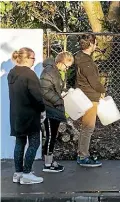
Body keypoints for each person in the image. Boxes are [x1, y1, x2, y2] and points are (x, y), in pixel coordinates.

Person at [8, 47, 45, 184]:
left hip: (16, 114)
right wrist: (42, 109)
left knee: (20, 142)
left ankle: (18, 173)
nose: (34, 62)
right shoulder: (29, 74)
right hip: (29, 114)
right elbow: (37, 96)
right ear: (26, 58)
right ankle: (27, 174)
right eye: (33, 58)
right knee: (34, 143)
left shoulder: (12, 73)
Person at [74, 34, 106, 167]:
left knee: (85, 127)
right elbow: (94, 81)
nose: (96, 45)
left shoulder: (79, 57)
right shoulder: (86, 61)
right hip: (90, 96)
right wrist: (102, 90)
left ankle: (82, 153)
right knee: (88, 127)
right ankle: (83, 156)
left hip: (83, 95)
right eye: (95, 43)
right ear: (91, 44)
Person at [40, 52, 74, 172]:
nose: (67, 68)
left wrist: (64, 93)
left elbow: (53, 89)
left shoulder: (54, 71)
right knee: (50, 136)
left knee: (52, 136)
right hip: (49, 107)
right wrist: (59, 100)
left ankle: (49, 160)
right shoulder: (49, 71)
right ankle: (48, 164)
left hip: (53, 107)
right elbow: (44, 90)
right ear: (61, 61)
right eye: (67, 65)